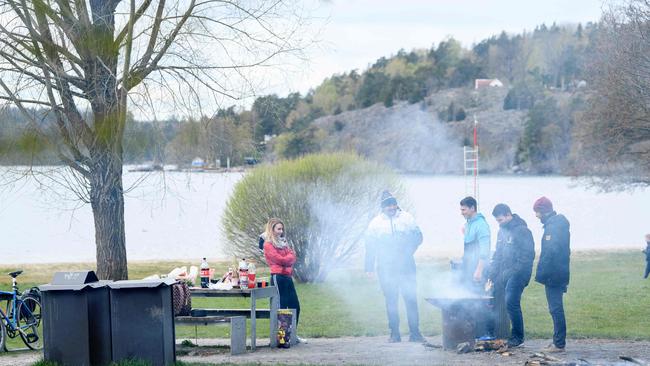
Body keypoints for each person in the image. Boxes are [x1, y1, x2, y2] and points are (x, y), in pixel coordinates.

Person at [365, 191, 424, 343]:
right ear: (382, 207)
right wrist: (369, 268)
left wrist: (408, 251)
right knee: (391, 300)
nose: (391, 207)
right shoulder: (375, 223)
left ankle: (415, 333)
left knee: (410, 298)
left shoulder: (407, 218)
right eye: (388, 205)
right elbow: (370, 247)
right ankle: (394, 333)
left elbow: (418, 236)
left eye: (393, 204)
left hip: (406, 266)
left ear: (396, 204)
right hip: (386, 268)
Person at [488, 204, 535, 348]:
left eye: (501, 220)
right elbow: (498, 254)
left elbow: (527, 257)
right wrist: (492, 273)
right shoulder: (501, 232)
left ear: (508, 215)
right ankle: (493, 332)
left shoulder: (522, 231)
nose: (499, 223)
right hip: (504, 273)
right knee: (493, 297)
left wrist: (509, 273)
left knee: (511, 302)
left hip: (519, 273)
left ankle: (517, 336)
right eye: (497, 221)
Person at [533, 196, 570, 353]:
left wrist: (541, 274)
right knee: (554, 308)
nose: (536, 216)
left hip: (555, 274)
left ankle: (559, 344)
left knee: (555, 308)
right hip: (558, 272)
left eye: (537, 212)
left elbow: (550, 252)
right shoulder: (555, 224)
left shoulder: (553, 227)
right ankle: (557, 340)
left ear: (543, 211)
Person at [262, 218, 304, 343]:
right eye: (278, 229)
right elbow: (279, 259)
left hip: (287, 277)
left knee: (295, 306)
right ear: (272, 230)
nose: (281, 231)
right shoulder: (268, 244)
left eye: (282, 229)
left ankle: (291, 335)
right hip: (277, 277)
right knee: (281, 308)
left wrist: (287, 258)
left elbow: (293, 256)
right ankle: (281, 338)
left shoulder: (284, 242)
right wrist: (287, 258)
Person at [460, 196, 491, 288]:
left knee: (477, 297)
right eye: (461, 210)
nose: (461, 213)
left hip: (477, 268)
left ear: (472, 208)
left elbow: (484, 249)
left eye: (464, 210)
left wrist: (479, 270)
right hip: (469, 266)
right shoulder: (469, 223)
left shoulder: (481, 225)